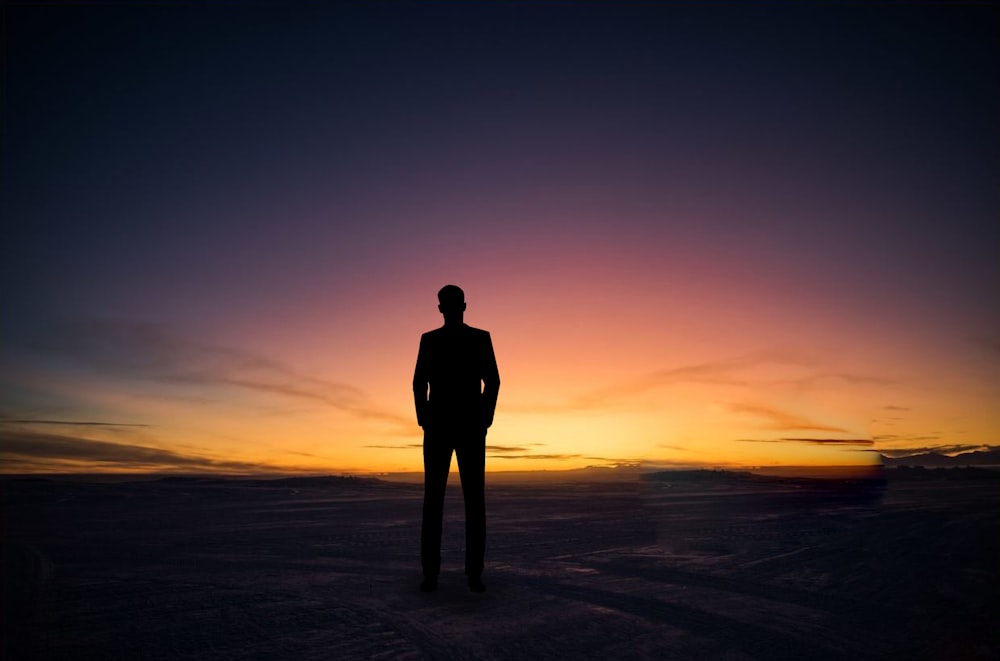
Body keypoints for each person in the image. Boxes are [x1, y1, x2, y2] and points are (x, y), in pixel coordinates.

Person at [413, 284, 500, 593]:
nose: (450, 309)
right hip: (447, 428)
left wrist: (483, 420)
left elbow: (493, 381)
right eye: (448, 305)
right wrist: (425, 420)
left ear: (460, 306)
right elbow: (418, 382)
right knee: (439, 501)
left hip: (465, 428)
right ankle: (438, 574)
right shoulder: (432, 340)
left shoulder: (478, 339)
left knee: (467, 501)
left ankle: (468, 573)